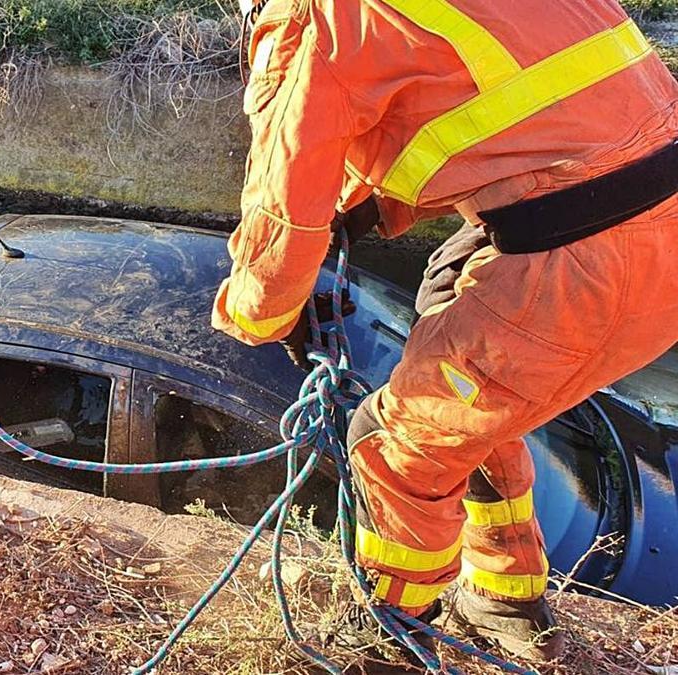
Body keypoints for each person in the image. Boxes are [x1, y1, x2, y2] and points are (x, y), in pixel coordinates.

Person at [216, 0, 678, 662]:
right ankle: (505, 595)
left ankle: (389, 633)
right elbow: (504, 116)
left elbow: (282, 204)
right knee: (458, 351)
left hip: (585, 268)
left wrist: (267, 313)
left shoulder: (314, 16)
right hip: (649, 234)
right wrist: (366, 206)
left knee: (398, 441)